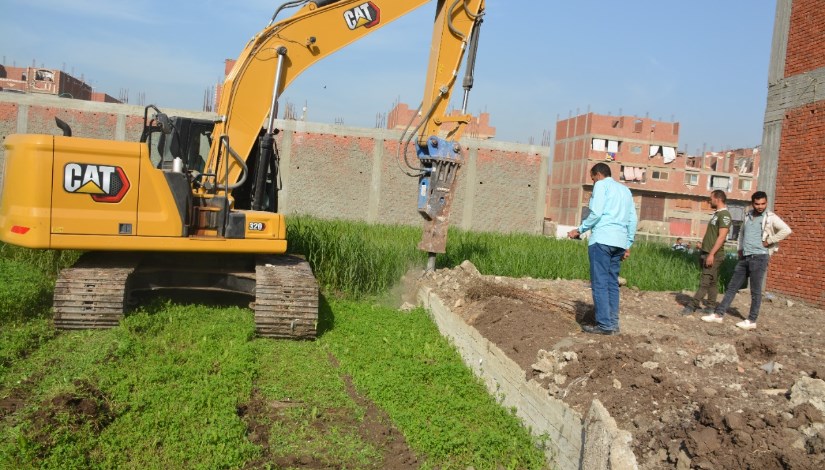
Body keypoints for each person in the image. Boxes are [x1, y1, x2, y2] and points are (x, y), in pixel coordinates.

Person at [701, 191, 792, 330]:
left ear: (766, 203)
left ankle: (751, 320)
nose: (760, 206)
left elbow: (786, 230)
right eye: (757, 204)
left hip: (760, 257)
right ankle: (718, 315)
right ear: (753, 203)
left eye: (763, 203)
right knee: (732, 287)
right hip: (745, 257)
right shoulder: (748, 215)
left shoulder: (770, 217)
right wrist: (739, 248)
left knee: (755, 291)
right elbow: (742, 233)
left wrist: (769, 241)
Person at [568, 163, 637, 335]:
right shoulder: (625, 191)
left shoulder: (601, 185)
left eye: (592, 178)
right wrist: (628, 244)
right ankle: (613, 323)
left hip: (602, 240)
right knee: (612, 284)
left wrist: (580, 229)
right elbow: (632, 220)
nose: (593, 182)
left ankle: (605, 325)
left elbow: (597, 213)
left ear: (598, 175)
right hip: (619, 242)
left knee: (599, 284)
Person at [682, 190, 731, 314]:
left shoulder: (724, 215)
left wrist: (711, 254)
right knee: (712, 282)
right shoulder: (716, 214)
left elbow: (722, 237)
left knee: (704, 282)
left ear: (718, 199)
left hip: (714, 255)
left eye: (711, 198)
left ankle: (692, 306)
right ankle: (710, 307)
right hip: (707, 252)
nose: (709, 200)